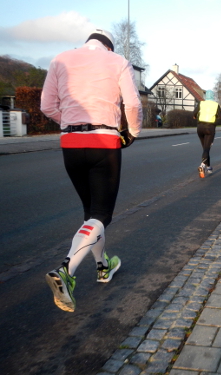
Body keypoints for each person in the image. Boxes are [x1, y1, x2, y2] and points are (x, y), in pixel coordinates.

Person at [40, 29, 142, 312]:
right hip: (104, 142)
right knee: (102, 214)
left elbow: (47, 105)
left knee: (92, 214)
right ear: (109, 47)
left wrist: (71, 121)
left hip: (70, 144)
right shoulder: (117, 61)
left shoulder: (60, 59)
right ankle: (65, 272)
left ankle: (102, 266)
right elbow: (132, 103)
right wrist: (132, 132)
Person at [193, 90, 221, 177]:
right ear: (213, 96)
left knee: (205, 148)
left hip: (200, 127)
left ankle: (208, 167)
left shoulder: (201, 103)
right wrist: (214, 120)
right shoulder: (216, 105)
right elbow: (220, 117)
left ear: (206, 96)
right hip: (210, 128)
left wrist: (197, 117)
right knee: (206, 148)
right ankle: (202, 165)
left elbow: (194, 114)